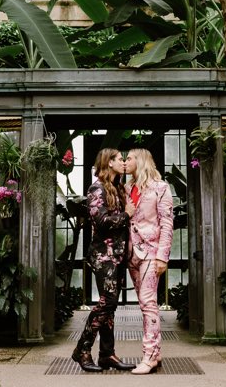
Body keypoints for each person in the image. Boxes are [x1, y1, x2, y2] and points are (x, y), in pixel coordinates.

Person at [71, 148, 136, 372]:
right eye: (119, 159)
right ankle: (83, 348)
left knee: (111, 307)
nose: (123, 162)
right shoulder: (96, 188)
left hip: (117, 256)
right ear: (109, 163)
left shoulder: (117, 188)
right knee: (107, 302)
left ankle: (107, 354)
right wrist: (127, 214)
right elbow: (102, 221)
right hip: (102, 255)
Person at [124, 148, 174, 375]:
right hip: (131, 253)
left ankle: (150, 355)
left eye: (129, 158)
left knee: (147, 301)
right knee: (146, 303)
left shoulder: (161, 188)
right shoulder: (127, 188)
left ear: (141, 161)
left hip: (152, 252)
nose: (126, 161)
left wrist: (163, 256)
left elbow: (167, 223)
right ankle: (156, 351)